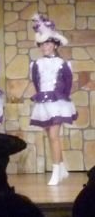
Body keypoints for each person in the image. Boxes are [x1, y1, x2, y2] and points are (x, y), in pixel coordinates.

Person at [30, 14, 77, 186]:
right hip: (44, 103)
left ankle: (56, 170)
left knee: (54, 136)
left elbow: (68, 84)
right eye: (42, 44)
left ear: (55, 45)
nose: (45, 47)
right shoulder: (36, 64)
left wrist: (60, 98)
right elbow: (37, 83)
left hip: (58, 103)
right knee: (50, 136)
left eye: (48, 43)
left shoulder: (63, 64)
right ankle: (62, 168)